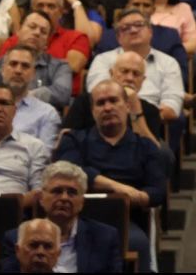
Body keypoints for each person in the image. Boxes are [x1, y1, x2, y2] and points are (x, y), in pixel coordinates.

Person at [53, 79, 165, 272]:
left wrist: (139, 197)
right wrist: (118, 188)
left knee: (138, 243)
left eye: (114, 101)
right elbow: (69, 171)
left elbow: (158, 191)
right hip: (77, 216)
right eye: (100, 103)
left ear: (127, 106)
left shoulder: (145, 147)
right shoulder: (75, 139)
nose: (107, 107)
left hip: (127, 218)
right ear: (93, 111)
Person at [0, 161, 122, 273]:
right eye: (57, 191)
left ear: (82, 201)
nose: (64, 198)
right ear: (41, 198)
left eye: (72, 192)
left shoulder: (105, 237)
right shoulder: (16, 237)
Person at [0, 45, 60, 146]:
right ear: (2, 70)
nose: (18, 70)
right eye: (13, 64)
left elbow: (43, 157)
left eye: (25, 66)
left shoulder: (47, 114)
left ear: (33, 74)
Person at [0, 12, 73, 109]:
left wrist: (22, 97)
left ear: (47, 41)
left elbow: (62, 94)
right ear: (18, 30)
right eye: (32, 27)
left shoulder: (60, 66)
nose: (37, 33)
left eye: (43, 32)